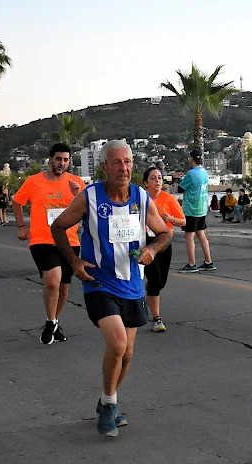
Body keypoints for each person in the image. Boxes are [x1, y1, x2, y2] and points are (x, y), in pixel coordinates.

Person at [51, 140, 171, 437]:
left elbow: (164, 233)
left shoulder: (141, 197)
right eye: (116, 162)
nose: (123, 168)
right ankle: (109, 405)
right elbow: (58, 227)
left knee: (127, 354)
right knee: (117, 344)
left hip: (133, 284)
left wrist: (152, 249)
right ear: (104, 166)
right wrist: (74, 262)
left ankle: (108, 399)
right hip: (99, 283)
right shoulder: (90, 197)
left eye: (127, 162)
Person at [12, 143, 85, 344]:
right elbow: (17, 201)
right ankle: (51, 321)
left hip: (69, 241)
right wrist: (21, 226)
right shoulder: (34, 181)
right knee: (53, 281)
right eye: (58, 159)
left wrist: (78, 194)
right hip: (42, 240)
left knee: (64, 287)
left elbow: (88, 210)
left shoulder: (76, 182)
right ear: (50, 159)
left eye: (65, 160)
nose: (62, 163)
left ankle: (53, 322)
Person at [143, 167, 185, 332]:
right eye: (153, 178)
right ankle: (157, 319)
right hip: (147, 242)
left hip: (164, 242)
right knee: (155, 280)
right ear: (146, 182)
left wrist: (171, 219)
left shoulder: (169, 198)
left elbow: (183, 221)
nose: (157, 181)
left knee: (161, 282)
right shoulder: (141, 199)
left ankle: (149, 294)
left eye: (160, 178)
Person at [178, 148, 215, 273]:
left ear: (191, 159)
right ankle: (208, 261)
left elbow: (180, 188)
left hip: (192, 209)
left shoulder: (191, 174)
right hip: (202, 208)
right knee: (201, 234)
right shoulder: (204, 172)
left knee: (189, 235)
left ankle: (191, 263)